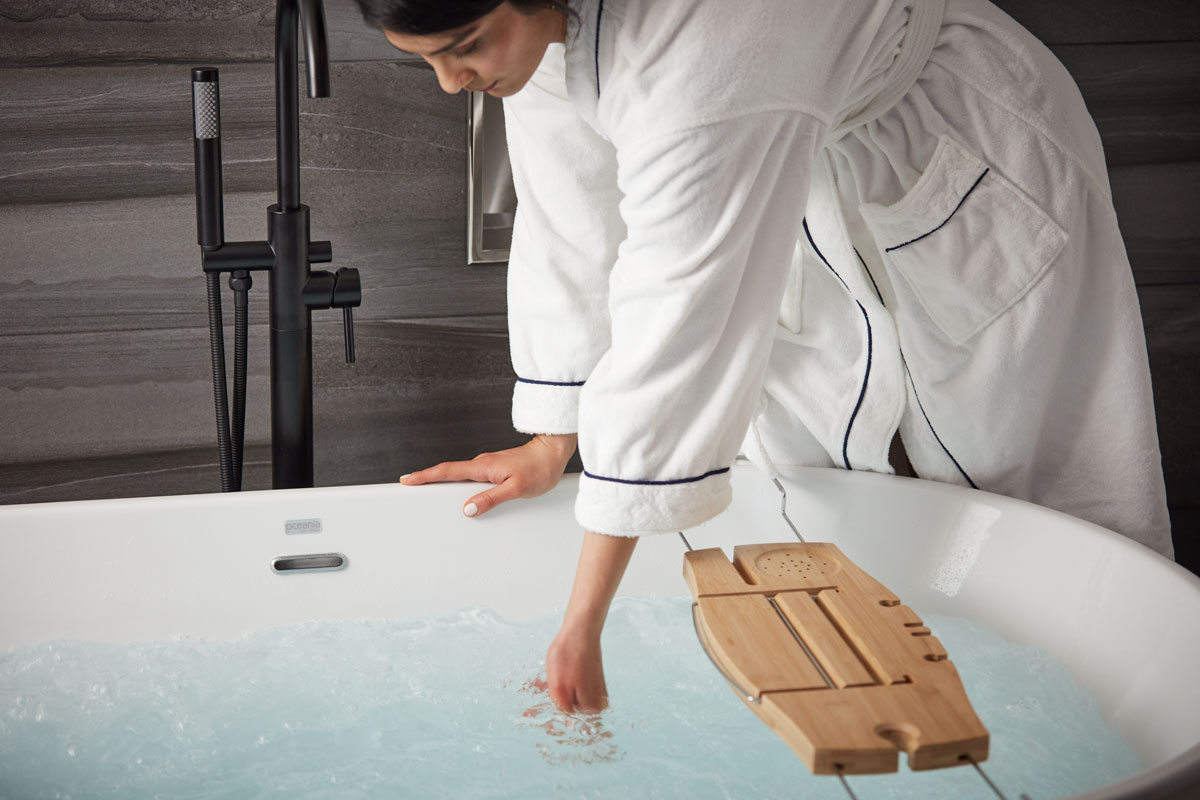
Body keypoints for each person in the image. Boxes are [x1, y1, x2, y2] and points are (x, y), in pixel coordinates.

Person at [354, 0, 1174, 714]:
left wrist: (581, 623)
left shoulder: (705, 41)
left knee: (1033, 460)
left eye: (463, 45)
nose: (451, 84)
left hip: (949, 138)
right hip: (777, 157)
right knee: (795, 487)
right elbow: (569, 216)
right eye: (427, 60)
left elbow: (673, 323)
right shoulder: (548, 34)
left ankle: (1130, 714)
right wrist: (551, 438)